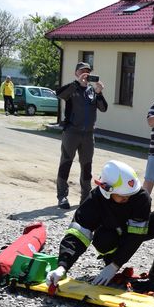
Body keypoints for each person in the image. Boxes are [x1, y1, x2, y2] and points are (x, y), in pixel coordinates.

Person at [45, 160, 154, 290]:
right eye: (123, 196)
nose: (127, 198)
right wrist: (63, 266)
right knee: (103, 239)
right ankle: (109, 259)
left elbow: (136, 236)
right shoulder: (95, 200)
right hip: (110, 234)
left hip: (134, 232)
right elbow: (78, 233)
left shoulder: (140, 197)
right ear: (107, 190)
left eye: (130, 194)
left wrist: (115, 266)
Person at [55, 62, 108, 210]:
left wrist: (99, 93)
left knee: (87, 167)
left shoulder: (92, 91)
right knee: (66, 163)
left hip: (88, 135)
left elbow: (103, 108)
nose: (85, 74)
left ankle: (85, 198)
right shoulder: (72, 88)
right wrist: (76, 83)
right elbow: (59, 94)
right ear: (76, 73)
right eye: (82, 71)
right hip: (71, 132)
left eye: (88, 72)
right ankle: (62, 196)